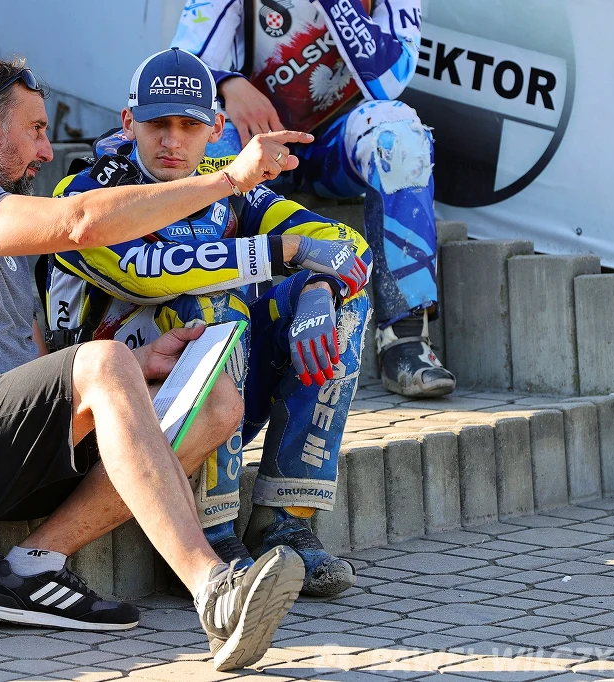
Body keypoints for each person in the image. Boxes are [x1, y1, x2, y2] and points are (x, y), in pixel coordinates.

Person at [0, 57, 315, 672]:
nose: (46, 149)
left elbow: (34, 360)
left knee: (214, 400)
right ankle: (214, 589)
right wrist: (229, 181)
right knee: (103, 360)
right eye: (36, 130)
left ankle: (28, 568)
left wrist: (139, 365)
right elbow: (82, 221)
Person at [41, 48, 372, 598]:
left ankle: (283, 521)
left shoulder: (225, 184)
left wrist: (319, 285)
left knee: (340, 304)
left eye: (189, 125)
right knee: (212, 304)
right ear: (129, 123)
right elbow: (147, 273)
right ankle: (210, 534)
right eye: (157, 124)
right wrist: (285, 251)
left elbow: (345, 246)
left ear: (216, 128)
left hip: (206, 401)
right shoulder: (84, 194)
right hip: (102, 426)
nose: (172, 141)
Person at [171, 0, 456, 399]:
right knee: (202, 137)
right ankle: (204, 329)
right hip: (256, 143)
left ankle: (404, 338)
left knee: (401, 132)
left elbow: (390, 79)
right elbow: (183, 64)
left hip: (333, 150)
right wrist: (228, 84)